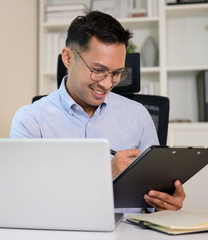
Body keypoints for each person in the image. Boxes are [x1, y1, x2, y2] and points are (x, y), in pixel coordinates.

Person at [10, 11, 185, 211]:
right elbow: (23, 199)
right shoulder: (31, 120)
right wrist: (103, 174)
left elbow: (154, 195)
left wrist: (164, 203)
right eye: (98, 70)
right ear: (68, 58)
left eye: (117, 73)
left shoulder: (139, 116)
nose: (107, 83)